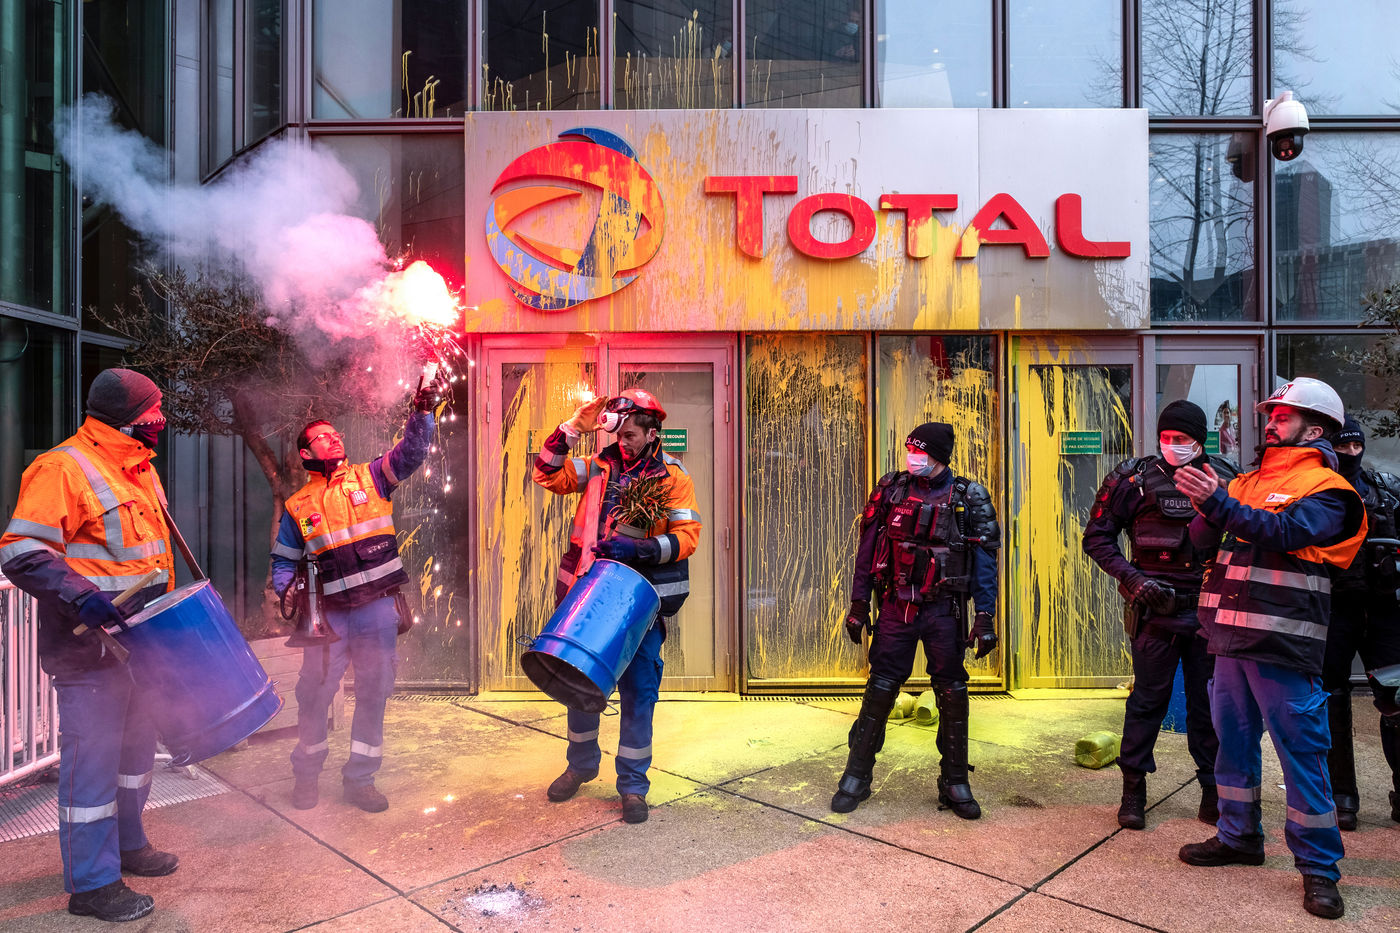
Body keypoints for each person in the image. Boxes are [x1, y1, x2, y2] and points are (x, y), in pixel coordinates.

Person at [1174, 377, 1367, 920]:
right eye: (1271, 415)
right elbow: (1200, 542)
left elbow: (1282, 534)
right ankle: (1238, 836)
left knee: (1301, 754)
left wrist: (1219, 501)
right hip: (1229, 637)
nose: (1271, 423)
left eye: (1283, 416)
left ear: (1316, 428)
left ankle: (1319, 868)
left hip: (1283, 641)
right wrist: (1206, 506)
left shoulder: (1331, 490)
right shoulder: (1248, 481)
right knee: (1231, 743)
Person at [0, 369, 176, 922]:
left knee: (134, 754)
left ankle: (129, 844)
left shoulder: (139, 468)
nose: (161, 418)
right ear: (128, 417)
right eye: (153, 409)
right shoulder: (61, 468)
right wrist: (81, 597)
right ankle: (93, 884)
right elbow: (20, 552)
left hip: (140, 644)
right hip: (88, 650)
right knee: (93, 764)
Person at [270, 368, 448, 813]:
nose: (334, 439)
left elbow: (412, 453)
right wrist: (288, 592)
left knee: (373, 692)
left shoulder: (372, 477)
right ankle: (306, 775)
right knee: (314, 695)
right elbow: (283, 562)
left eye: (336, 434)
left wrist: (422, 411)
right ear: (305, 452)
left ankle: (361, 780)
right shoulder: (297, 506)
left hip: (377, 611)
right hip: (328, 619)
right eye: (323, 437)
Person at [532, 388, 701, 824]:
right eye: (618, 434)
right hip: (588, 594)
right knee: (578, 681)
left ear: (652, 433)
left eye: (630, 435)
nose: (622, 442)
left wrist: (639, 550)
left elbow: (687, 538)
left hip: (639, 602)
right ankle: (581, 766)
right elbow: (545, 474)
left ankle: (632, 786)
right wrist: (572, 428)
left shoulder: (673, 477)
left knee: (639, 692)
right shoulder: (597, 465)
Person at [831, 422, 1001, 818]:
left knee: (952, 692)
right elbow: (867, 551)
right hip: (897, 607)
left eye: (919, 451)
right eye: (910, 449)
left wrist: (985, 615)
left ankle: (955, 781)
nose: (912, 457)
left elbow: (985, 562)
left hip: (945, 609)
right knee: (881, 687)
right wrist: (859, 604)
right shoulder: (891, 490)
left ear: (938, 456)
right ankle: (856, 775)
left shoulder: (969, 497)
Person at [1083, 400, 1238, 830]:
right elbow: (1096, 538)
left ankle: (1212, 790)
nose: (1172, 445)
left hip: (1208, 613)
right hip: (1154, 612)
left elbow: (1248, 535)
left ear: (1200, 440)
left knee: (1209, 708)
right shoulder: (1133, 479)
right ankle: (1133, 789)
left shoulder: (1227, 478)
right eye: (1165, 438)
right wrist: (1133, 580)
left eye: (1181, 438)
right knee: (1147, 702)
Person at [1322, 416, 1400, 829]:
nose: (1351, 453)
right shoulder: (1319, 493)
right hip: (1334, 611)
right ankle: (1342, 797)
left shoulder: (1385, 491)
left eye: (1357, 446)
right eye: (1343, 446)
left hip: (1384, 613)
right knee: (1332, 701)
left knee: (1395, 698)